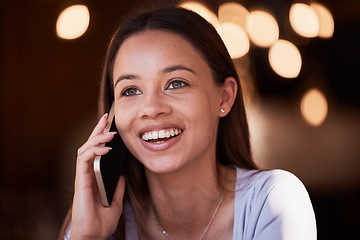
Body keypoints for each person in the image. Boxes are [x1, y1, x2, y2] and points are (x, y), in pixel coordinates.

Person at [59, 7, 317, 240]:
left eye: (176, 83)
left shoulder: (274, 201)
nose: (151, 109)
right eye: (130, 90)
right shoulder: (94, 223)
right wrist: (86, 238)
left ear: (224, 96)